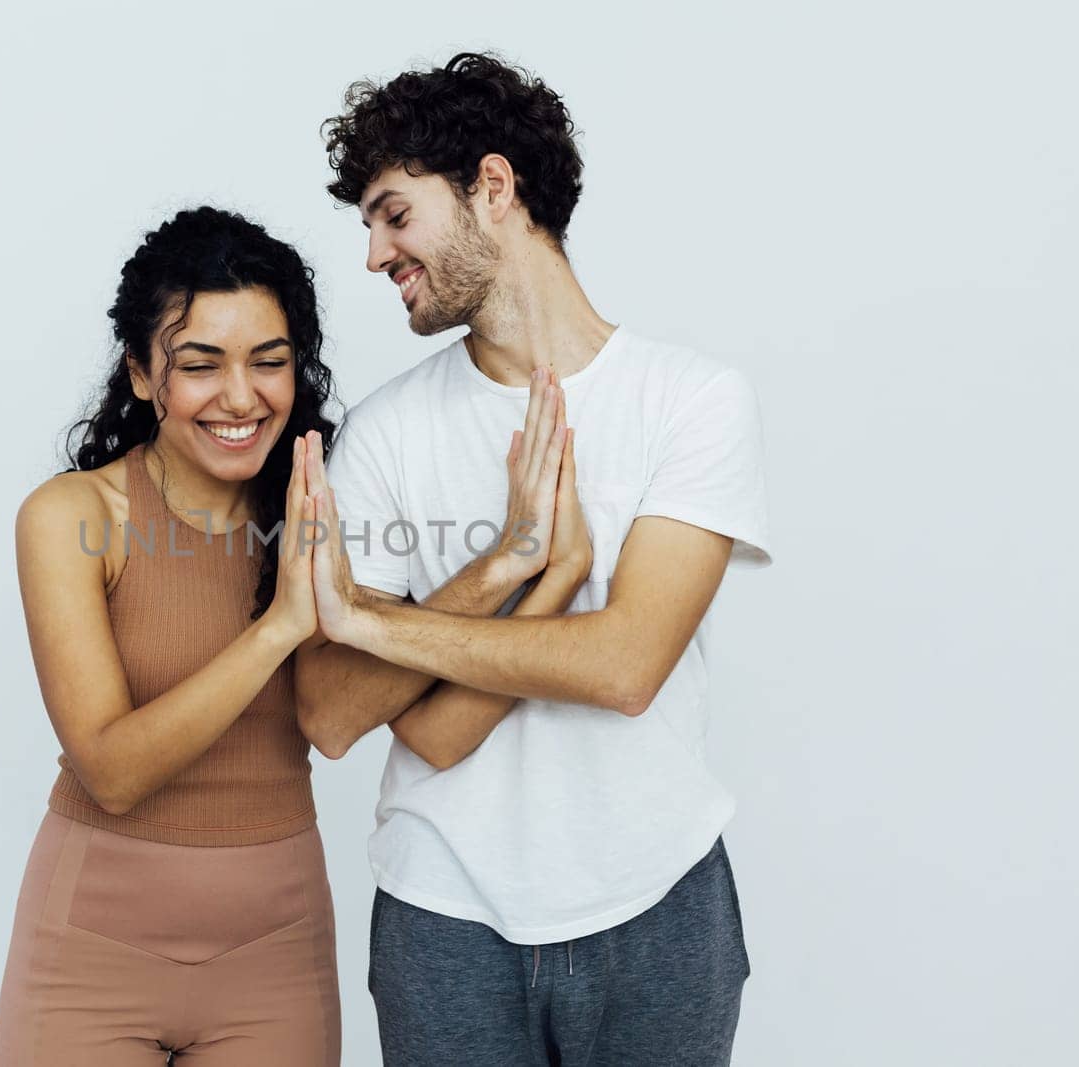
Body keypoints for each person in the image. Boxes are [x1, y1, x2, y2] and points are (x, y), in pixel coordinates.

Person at [294, 53, 775, 1065]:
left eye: (393, 214)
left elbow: (623, 665)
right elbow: (334, 711)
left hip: (662, 908)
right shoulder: (382, 435)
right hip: (442, 916)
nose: (375, 254)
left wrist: (378, 621)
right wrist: (523, 566)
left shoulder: (689, 400)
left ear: (493, 187)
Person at [0, 206, 341, 1066]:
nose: (239, 396)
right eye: (199, 365)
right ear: (144, 375)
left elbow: (342, 720)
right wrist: (278, 628)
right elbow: (109, 768)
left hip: (277, 955)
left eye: (270, 362)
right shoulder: (73, 516)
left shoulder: (322, 508)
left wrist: (529, 570)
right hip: (90, 953)